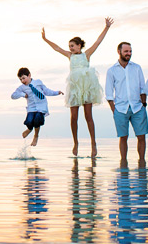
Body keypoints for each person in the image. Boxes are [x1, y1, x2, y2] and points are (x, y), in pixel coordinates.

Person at [41, 17, 113, 157]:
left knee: (88, 116)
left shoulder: (87, 54)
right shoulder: (70, 56)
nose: (70, 48)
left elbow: (98, 41)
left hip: (87, 88)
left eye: (72, 46)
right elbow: (56, 48)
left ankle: (93, 143)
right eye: (69, 46)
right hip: (74, 89)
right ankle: (76, 142)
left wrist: (107, 27)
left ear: (79, 46)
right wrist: (45, 39)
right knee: (73, 117)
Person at [105, 41, 148, 167]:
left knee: (141, 136)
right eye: (126, 51)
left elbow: (142, 88)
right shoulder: (111, 70)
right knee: (123, 137)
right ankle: (123, 163)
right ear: (119, 52)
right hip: (120, 109)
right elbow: (109, 93)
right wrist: (114, 110)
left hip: (138, 108)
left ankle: (142, 163)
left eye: (130, 51)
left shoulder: (137, 68)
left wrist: (144, 105)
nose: (129, 54)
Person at [11, 67, 63, 146]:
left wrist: (57, 92)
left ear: (29, 75)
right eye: (20, 79)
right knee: (29, 121)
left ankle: (36, 136)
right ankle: (29, 129)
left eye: (24, 78)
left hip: (41, 107)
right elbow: (13, 96)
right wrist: (22, 94)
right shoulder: (22, 88)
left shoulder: (38, 82)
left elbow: (46, 91)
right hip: (31, 108)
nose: (22, 81)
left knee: (37, 119)